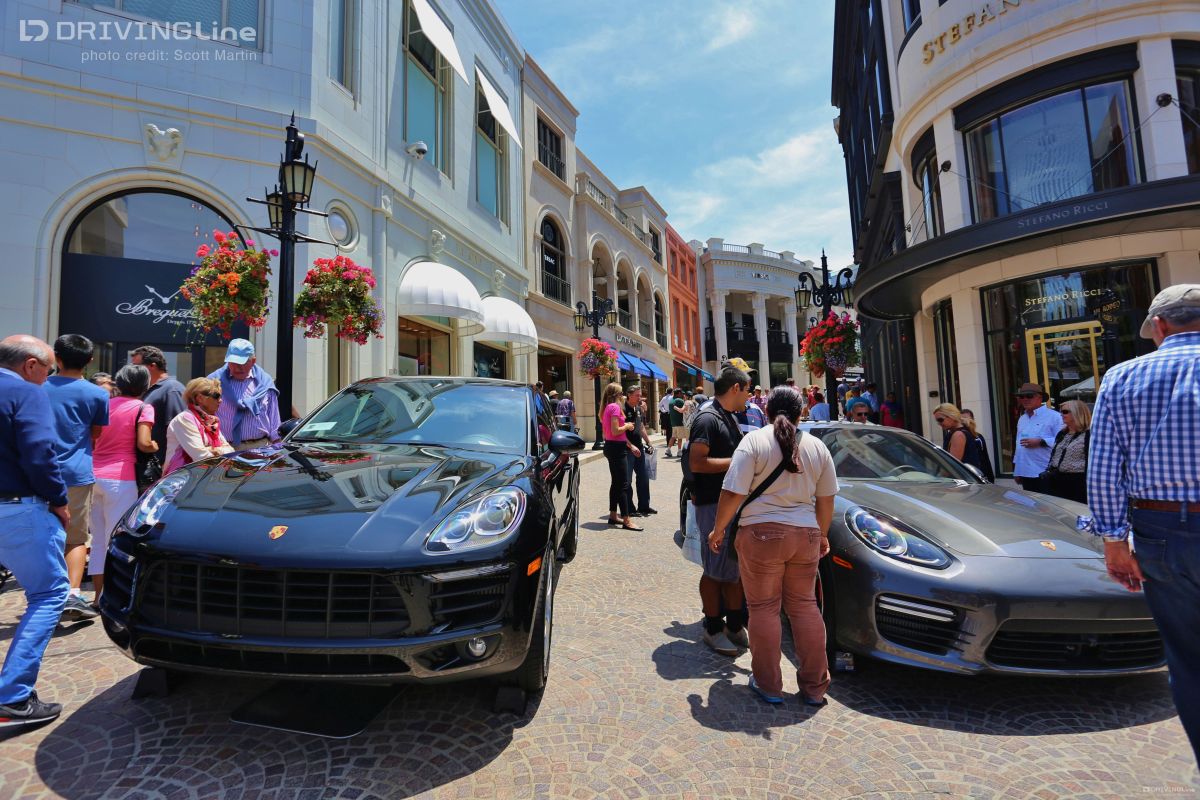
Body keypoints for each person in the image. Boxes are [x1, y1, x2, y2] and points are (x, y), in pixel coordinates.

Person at [1086, 284, 1200, 764]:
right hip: (1160, 527)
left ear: (1159, 326)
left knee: (1188, 660)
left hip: (1160, 530)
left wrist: (1114, 541)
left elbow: (1104, 468)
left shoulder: (1123, 377)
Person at [708, 386, 837, 705]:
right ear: (801, 413)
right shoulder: (818, 447)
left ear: (766, 411)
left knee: (764, 608)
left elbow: (733, 492)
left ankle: (768, 684)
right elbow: (826, 500)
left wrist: (718, 529)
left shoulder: (753, 441)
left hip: (761, 534)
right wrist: (821, 535)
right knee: (805, 606)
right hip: (805, 534)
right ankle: (815, 687)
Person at [0, 335, 71, 728]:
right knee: (49, 594)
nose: (48, 377)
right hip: (17, 508)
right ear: (30, 365)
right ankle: (13, 695)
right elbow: (40, 453)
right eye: (48, 369)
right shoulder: (26, 392)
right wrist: (59, 500)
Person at [44, 334, 109, 621]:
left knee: (43, 536)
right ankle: (72, 594)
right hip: (77, 472)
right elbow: (96, 433)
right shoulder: (98, 394)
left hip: (37, 472)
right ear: (90, 361)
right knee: (76, 538)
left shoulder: (37, 388)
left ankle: (46, 593)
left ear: (56, 358)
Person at [689, 365, 751, 656]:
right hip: (713, 504)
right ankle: (713, 628)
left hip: (728, 503)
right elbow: (697, 462)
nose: (749, 396)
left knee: (732, 570)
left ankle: (734, 625)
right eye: (747, 390)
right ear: (735, 388)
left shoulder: (727, 416)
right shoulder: (707, 419)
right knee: (715, 570)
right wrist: (739, 461)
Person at [90, 364, 157, 604]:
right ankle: (113, 598)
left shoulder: (104, 404)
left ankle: (98, 596)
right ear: (145, 385)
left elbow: (92, 438)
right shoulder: (143, 407)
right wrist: (155, 446)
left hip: (93, 475)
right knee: (116, 540)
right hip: (121, 477)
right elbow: (144, 443)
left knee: (98, 541)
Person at [208, 338, 282, 449]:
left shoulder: (266, 383)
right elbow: (205, 416)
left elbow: (274, 420)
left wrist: (278, 448)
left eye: (243, 363)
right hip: (225, 449)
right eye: (233, 363)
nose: (238, 368)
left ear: (253, 361)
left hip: (260, 449)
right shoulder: (213, 382)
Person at [163, 378, 235, 473]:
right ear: (200, 398)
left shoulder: (211, 422)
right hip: (181, 478)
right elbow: (201, 457)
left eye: (220, 396)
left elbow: (230, 451)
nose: (220, 400)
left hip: (204, 475)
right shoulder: (184, 419)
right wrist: (218, 451)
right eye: (216, 396)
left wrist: (213, 450)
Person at [129, 345, 185, 458]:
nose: (133, 370)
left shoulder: (172, 389)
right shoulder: (148, 389)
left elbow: (180, 430)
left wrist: (169, 463)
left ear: (152, 366)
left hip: (164, 463)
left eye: (136, 366)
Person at [600, 383, 641, 531]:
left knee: (616, 483)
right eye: (622, 393)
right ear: (616, 395)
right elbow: (616, 430)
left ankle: (613, 515)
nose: (623, 396)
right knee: (623, 484)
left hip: (612, 446)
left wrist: (630, 445)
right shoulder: (615, 407)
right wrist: (627, 426)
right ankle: (626, 519)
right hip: (617, 449)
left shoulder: (607, 407)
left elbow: (612, 433)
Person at [1013, 382, 1064, 493]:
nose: (1025, 399)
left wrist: (1041, 442)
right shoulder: (1022, 419)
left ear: (1040, 397)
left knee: (1049, 503)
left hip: (1046, 472)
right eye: (1022, 397)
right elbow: (1018, 445)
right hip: (1026, 473)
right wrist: (1017, 470)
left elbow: (1063, 442)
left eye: (1029, 396)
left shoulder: (1055, 417)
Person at [1040, 399, 1090, 504]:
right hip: (1056, 480)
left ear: (1077, 413)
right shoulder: (1062, 433)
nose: (1061, 414)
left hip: (1077, 483)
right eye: (1061, 411)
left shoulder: (1088, 435)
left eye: (1065, 412)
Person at [623, 385, 656, 517]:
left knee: (643, 477)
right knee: (627, 480)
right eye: (637, 395)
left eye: (640, 395)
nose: (639, 398)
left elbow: (641, 426)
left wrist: (648, 442)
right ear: (629, 395)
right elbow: (620, 433)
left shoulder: (638, 408)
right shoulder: (622, 409)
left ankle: (644, 506)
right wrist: (631, 446)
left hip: (639, 447)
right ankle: (630, 509)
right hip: (627, 450)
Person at [932, 404, 986, 475]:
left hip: (963, 479)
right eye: (937, 421)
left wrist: (938, 478)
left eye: (940, 420)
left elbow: (951, 466)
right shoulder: (956, 433)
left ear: (951, 416)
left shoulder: (958, 435)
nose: (939, 423)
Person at [959, 409, 995, 482]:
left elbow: (985, 457)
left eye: (966, 418)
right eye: (961, 419)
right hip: (967, 474)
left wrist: (990, 477)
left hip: (981, 473)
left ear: (972, 420)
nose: (964, 421)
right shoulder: (959, 436)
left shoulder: (978, 436)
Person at [668, 388, 687, 457]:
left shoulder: (671, 401)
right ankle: (679, 451)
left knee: (673, 437)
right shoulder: (679, 400)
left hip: (673, 422)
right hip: (679, 422)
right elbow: (686, 406)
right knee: (680, 437)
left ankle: (668, 449)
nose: (682, 394)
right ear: (678, 393)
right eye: (681, 393)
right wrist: (685, 399)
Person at [659, 390, 674, 455]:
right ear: (672, 392)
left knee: (668, 429)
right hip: (671, 414)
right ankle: (670, 443)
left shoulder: (664, 398)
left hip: (666, 415)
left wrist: (664, 411)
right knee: (671, 429)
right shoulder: (672, 397)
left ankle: (668, 443)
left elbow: (660, 405)